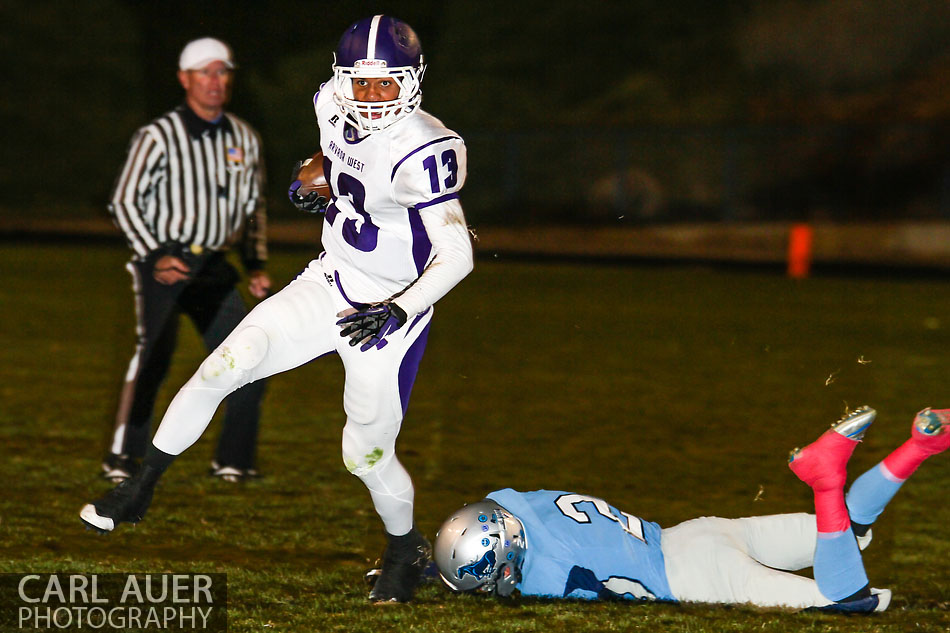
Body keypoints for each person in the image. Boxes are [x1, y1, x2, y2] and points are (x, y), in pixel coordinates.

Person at [80, 16, 474, 605]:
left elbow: (459, 254)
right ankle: (140, 487)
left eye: (385, 85)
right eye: (360, 84)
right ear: (341, 80)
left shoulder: (425, 149)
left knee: (364, 455)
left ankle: (404, 548)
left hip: (389, 313)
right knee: (221, 367)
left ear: (411, 83)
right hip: (329, 281)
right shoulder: (329, 105)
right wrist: (316, 175)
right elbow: (337, 157)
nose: (370, 98)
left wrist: (398, 308)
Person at [434, 405, 950, 612]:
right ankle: (920, 446)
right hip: (693, 533)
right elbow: (492, 511)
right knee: (850, 530)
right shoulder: (514, 502)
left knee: (847, 599)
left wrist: (495, 581)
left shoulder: (548, 570)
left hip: (692, 574)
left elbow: (520, 582)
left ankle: (823, 477)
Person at [102, 37, 271, 484]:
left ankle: (233, 460)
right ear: (184, 78)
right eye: (204, 72)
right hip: (165, 260)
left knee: (249, 356)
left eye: (222, 72)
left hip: (213, 265)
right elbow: (124, 201)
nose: (215, 81)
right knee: (154, 356)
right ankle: (123, 458)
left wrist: (255, 264)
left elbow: (252, 207)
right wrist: (155, 255)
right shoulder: (158, 135)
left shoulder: (244, 138)